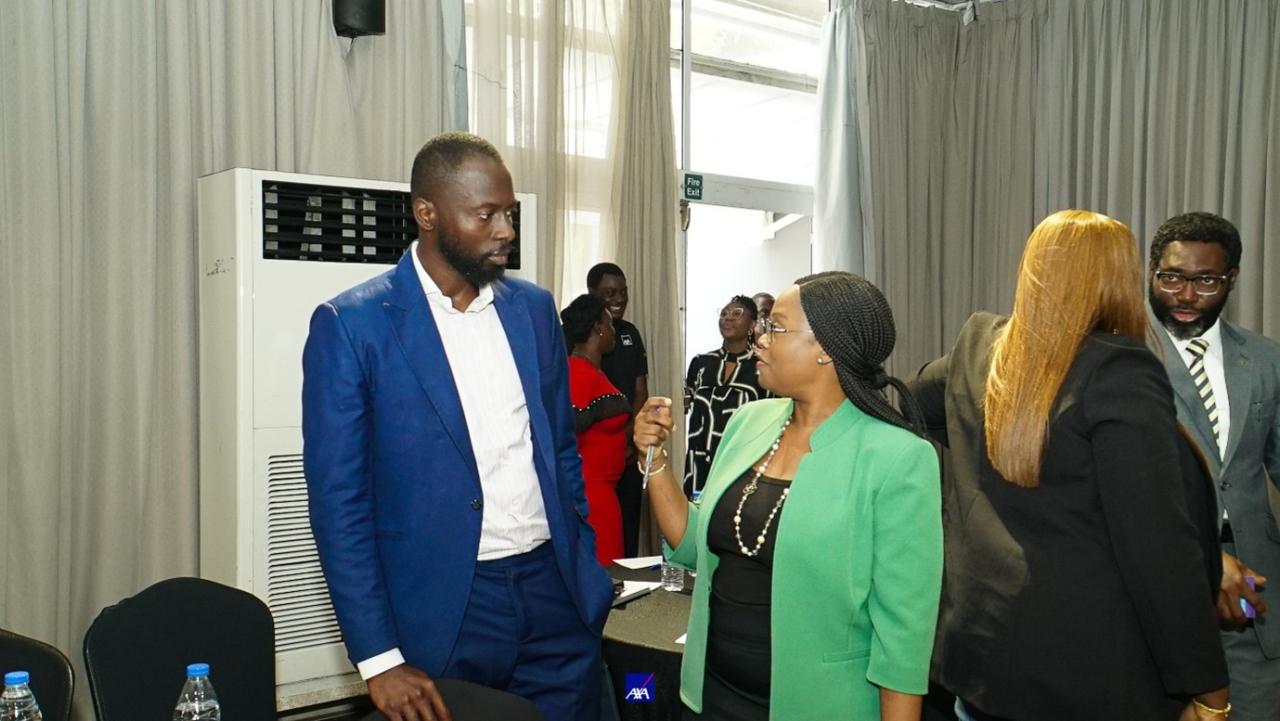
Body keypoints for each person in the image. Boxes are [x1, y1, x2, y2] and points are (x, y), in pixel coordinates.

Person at [302, 132, 613, 721]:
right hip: (443, 609)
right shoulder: (352, 325)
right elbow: (340, 505)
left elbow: (559, 449)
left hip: (554, 594)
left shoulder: (533, 310)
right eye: (485, 214)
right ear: (427, 213)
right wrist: (378, 658)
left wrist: (584, 562)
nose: (506, 231)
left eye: (509, 213)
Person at [909, 210, 1230, 721]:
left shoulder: (978, 348)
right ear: (1118, 278)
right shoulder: (1119, 369)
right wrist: (1209, 687)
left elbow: (906, 406)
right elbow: (1156, 548)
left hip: (981, 660)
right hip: (1088, 674)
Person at [635, 272, 943, 721]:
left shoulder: (897, 458)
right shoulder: (749, 421)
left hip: (820, 707)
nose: (759, 339)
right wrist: (655, 458)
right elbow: (693, 545)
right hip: (713, 694)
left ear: (826, 348)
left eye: (774, 327)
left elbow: (903, 639)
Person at [1147, 211, 1280, 721]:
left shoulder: (1265, 360)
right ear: (1151, 272)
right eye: (1171, 278)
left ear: (1232, 279)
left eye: (1206, 281)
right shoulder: (1123, 356)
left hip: (1250, 595)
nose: (1185, 295)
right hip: (1160, 578)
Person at [561, 293, 631, 566]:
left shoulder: (592, 372)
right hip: (589, 497)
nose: (614, 331)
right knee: (600, 576)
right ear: (598, 328)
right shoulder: (577, 371)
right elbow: (567, 431)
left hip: (604, 495)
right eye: (610, 324)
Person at [588, 262, 649, 557]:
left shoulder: (630, 334)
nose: (619, 299)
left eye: (623, 292)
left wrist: (626, 439)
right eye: (610, 293)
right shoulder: (574, 336)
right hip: (593, 457)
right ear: (591, 292)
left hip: (627, 451)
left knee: (627, 530)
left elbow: (641, 392)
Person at [684, 296, 770, 497]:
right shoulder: (701, 362)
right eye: (723, 313)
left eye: (737, 314)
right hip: (699, 463)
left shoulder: (762, 366)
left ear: (752, 324)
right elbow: (688, 403)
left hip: (742, 462)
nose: (728, 318)